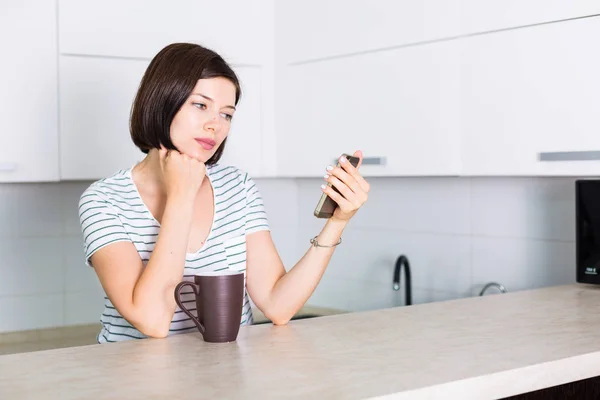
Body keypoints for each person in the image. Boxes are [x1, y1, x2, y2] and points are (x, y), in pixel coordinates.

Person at [78, 42, 370, 343]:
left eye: (226, 114)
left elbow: (277, 305)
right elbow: (153, 321)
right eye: (201, 105)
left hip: (226, 378)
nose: (215, 125)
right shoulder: (104, 200)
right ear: (163, 101)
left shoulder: (237, 186)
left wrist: (336, 222)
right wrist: (181, 197)